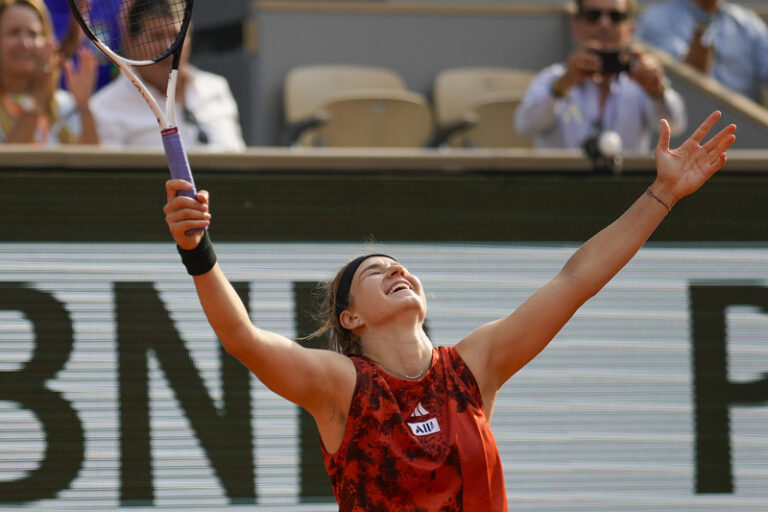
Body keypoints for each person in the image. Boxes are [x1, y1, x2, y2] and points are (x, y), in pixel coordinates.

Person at [162, 110, 735, 510]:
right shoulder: (341, 387)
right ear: (349, 319)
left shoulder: (474, 366)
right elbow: (242, 337)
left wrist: (662, 194)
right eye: (373, 271)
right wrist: (197, 250)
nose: (396, 270)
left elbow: (577, 279)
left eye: (400, 265)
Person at [514, 0, 687, 153]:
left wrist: (656, 90)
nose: (604, 24)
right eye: (593, 15)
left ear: (630, 28)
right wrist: (564, 84)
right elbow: (525, 125)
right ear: (575, 26)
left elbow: (675, 125)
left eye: (616, 16)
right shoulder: (552, 77)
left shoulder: (641, 80)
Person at [90, 0, 245, 151]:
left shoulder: (217, 89)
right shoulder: (103, 108)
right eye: (156, 36)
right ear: (130, 42)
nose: (169, 46)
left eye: (176, 35)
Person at [0, 0, 98, 144]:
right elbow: (11, 164)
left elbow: (93, 164)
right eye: (14, 33)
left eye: (33, 34)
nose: (25, 43)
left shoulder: (64, 105)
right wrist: (36, 96)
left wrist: (84, 106)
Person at [636, 0, 768, 103]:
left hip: (747, 130)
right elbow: (691, 83)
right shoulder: (657, 19)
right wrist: (706, 15)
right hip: (692, 128)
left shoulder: (748, 24)